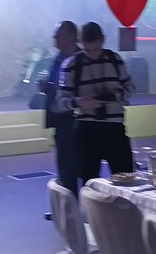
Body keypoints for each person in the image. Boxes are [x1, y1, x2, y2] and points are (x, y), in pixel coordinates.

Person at [53, 22, 135, 192]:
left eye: (96, 49)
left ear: (102, 40)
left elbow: (131, 88)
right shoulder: (71, 64)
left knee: (126, 181)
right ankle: (91, 210)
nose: (92, 54)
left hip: (114, 128)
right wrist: (79, 102)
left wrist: (114, 97)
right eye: (88, 50)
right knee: (89, 184)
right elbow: (60, 102)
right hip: (86, 130)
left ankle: (124, 209)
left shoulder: (115, 59)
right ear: (81, 43)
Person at [40, 21, 80, 191]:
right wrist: (48, 87)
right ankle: (67, 200)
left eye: (58, 36)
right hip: (60, 120)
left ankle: (80, 201)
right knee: (64, 166)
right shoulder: (58, 58)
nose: (55, 39)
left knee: (78, 165)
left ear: (71, 36)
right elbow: (58, 86)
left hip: (76, 119)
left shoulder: (81, 59)